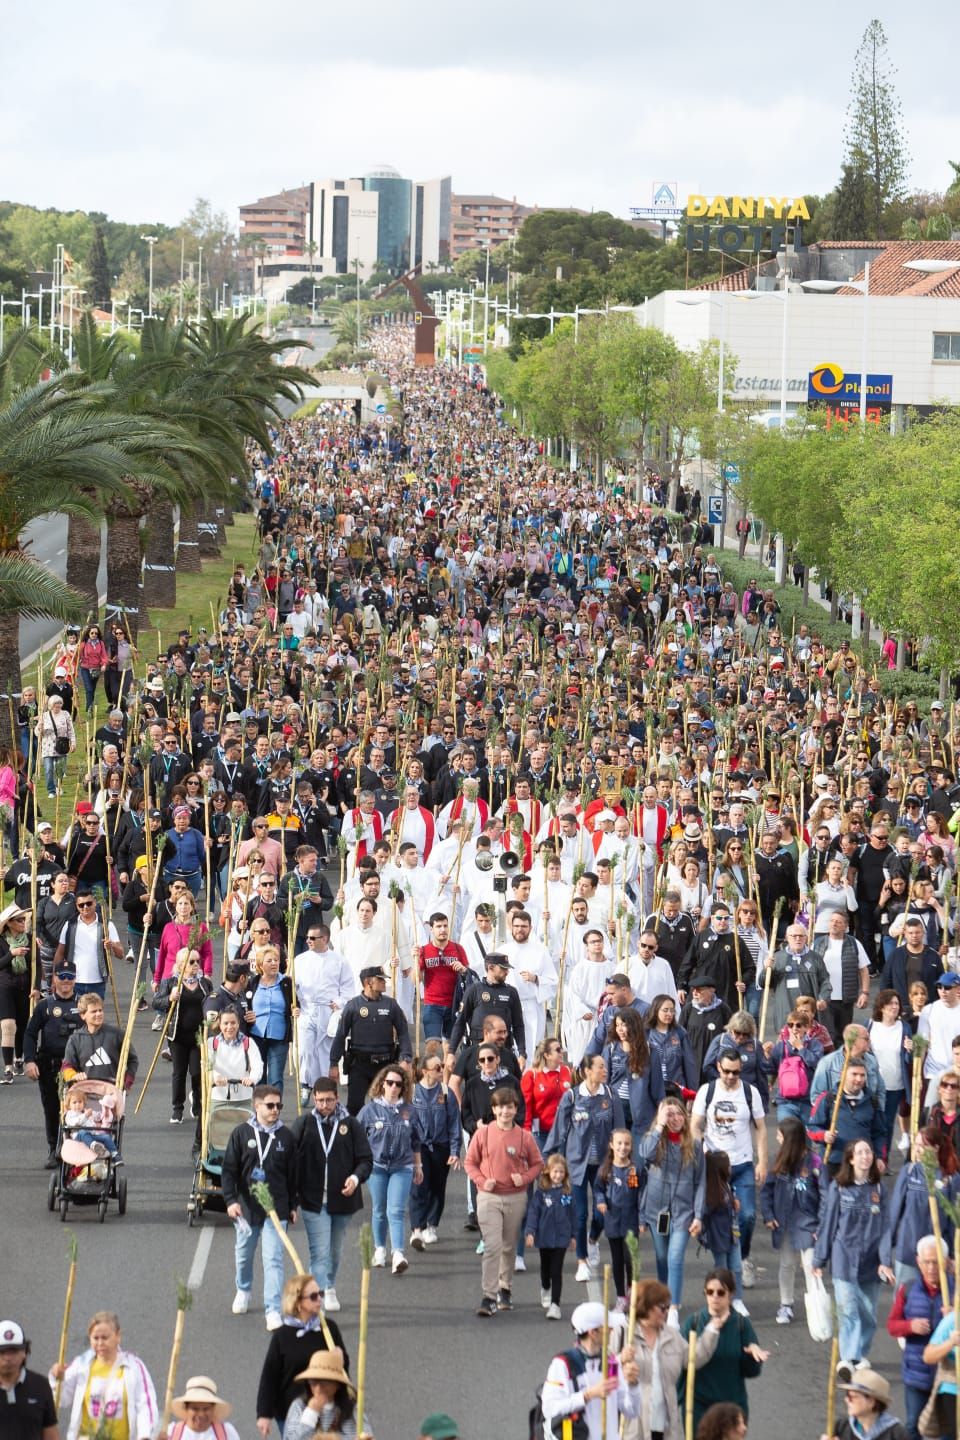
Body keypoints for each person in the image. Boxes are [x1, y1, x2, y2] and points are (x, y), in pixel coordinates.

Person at [290, 1077, 373, 1311]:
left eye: (329, 1100)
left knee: (335, 1251)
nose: (324, 1105)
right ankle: (317, 1296)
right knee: (320, 1251)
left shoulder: (351, 1124)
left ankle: (329, 1285)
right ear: (314, 1099)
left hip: (342, 1199)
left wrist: (355, 1178)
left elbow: (366, 1160)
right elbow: (289, 1156)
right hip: (313, 1200)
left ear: (337, 1098)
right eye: (320, 1100)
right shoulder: (304, 1123)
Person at [813, 1139, 895, 1374]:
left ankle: (859, 1353)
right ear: (850, 1159)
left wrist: (885, 1261)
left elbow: (885, 1229)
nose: (865, 1156)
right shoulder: (838, 1187)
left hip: (871, 1261)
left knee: (868, 1314)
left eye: (868, 1152)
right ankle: (849, 1359)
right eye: (860, 1153)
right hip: (844, 1258)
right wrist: (819, 1260)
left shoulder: (879, 1190)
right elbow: (828, 1225)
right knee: (848, 1309)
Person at [222, 1083, 299, 1330]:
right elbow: (229, 1170)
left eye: (278, 1105)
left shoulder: (286, 1137)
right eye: (270, 1105)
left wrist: (293, 1206)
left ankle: (273, 1309)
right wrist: (231, 1201)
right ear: (257, 1106)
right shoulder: (241, 1133)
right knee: (244, 1253)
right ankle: (243, 1289)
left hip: (276, 1208)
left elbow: (293, 1175)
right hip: (247, 1208)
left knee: (273, 1259)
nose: (275, 1110)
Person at [545, 1053, 625, 1283]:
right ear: (587, 1071)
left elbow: (619, 1129)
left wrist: (622, 1161)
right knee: (580, 1215)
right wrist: (548, 1159)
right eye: (600, 1066)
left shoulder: (611, 1095)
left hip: (603, 1165)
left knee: (605, 1211)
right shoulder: (571, 1096)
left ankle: (592, 1240)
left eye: (605, 1066)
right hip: (576, 1165)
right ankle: (582, 1261)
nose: (605, 1070)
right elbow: (559, 1130)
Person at [691, 1051, 767, 1292]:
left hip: (742, 1162)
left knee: (747, 1215)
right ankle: (722, 1262)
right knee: (716, 1218)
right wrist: (700, 1147)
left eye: (737, 1072)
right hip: (714, 1166)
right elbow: (695, 1124)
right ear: (718, 1068)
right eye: (727, 1071)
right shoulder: (707, 1091)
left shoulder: (749, 1092)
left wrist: (762, 1161)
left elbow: (761, 1128)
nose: (732, 1076)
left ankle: (743, 1256)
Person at [464, 1085, 542, 1316]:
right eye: (501, 1107)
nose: (505, 1112)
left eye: (509, 1107)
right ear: (494, 1109)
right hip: (488, 1197)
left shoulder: (524, 1137)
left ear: (515, 1109)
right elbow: (470, 1162)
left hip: (515, 1197)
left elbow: (538, 1164)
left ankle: (505, 1288)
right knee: (492, 1247)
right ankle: (488, 1296)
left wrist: (525, 1178)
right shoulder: (483, 1134)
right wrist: (481, 1179)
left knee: (508, 1246)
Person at [255, 1274, 348, 1437]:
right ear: (298, 1303)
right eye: (313, 1296)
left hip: (327, 1408)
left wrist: (340, 1358)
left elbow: (343, 1369)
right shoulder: (282, 1336)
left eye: (320, 1294)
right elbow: (270, 1375)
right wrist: (264, 1414)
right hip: (291, 1410)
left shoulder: (329, 1329)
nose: (319, 1299)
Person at [678, 1268, 768, 1433]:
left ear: (731, 1294)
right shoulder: (693, 1323)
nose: (714, 1297)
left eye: (721, 1292)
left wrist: (753, 1357)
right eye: (710, 1292)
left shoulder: (741, 1325)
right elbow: (680, 1363)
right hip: (698, 1407)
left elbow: (752, 1372)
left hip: (732, 1408)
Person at [539, 1300, 641, 1439]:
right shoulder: (563, 1364)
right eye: (608, 1327)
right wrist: (588, 1395)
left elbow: (632, 1411)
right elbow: (550, 1408)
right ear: (593, 1332)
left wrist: (633, 1385)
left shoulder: (611, 1362)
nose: (612, 1330)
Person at [356, 1064, 424, 1274]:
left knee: (395, 1210)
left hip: (402, 1167)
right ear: (382, 1084)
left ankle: (398, 1254)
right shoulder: (369, 1110)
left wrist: (418, 1165)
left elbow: (416, 1141)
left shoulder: (409, 1111)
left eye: (398, 1084)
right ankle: (379, 1249)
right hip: (376, 1167)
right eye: (390, 1083)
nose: (394, 1087)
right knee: (379, 1210)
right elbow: (357, 1138)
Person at [50, 1311, 158, 1440]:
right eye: (95, 1338)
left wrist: (145, 1435)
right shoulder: (81, 1364)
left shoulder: (134, 1366)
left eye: (105, 1337)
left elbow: (145, 1404)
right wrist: (57, 1378)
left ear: (118, 1336)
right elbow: (61, 1400)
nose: (100, 1343)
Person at [888, 1234, 954, 1440]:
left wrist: (954, 1316)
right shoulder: (907, 1289)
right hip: (917, 1372)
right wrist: (910, 1326)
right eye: (927, 1262)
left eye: (936, 1262)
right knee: (913, 1425)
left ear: (946, 1261)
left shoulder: (956, 1290)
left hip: (948, 1377)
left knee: (948, 1429)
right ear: (918, 1261)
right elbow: (892, 1325)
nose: (931, 1268)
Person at [760, 1116, 822, 1327]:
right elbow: (767, 1190)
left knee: (810, 1265)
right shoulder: (779, 1160)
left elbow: (826, 1195)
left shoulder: (814, 1161)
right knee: (787, 1264)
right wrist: (768, 1216)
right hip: (785, 1222)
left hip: (808, 1223)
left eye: (779, 1134)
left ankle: (816, 1305)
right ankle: (786, 1304)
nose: (776, 1137)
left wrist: (821, 1225)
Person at [329, 966, 412, 1116]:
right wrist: (333, 1063)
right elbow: (340, 1035)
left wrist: (405, 1058)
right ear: (368, 982)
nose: (384, 982)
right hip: (359, 1064)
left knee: (387, 1105)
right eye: (380, 979)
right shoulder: (353, 1006)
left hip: (385, 1065)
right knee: (354, 1106)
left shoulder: (391, 1004)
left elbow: (403, 1032)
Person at [23, 966, 83, 1166]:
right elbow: (30, 1034)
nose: (66, 981)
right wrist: (29, 1060)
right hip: (49, 1066)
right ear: (54, 979)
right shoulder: (44, 1006)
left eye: (70, 977)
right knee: (51, 1110)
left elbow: (95, 1033)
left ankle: (75, 1149)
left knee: (76, 1110)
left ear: (75, 979)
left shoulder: (83, 1003)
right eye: (61, 976)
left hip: (76, 1069)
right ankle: (53, 1149)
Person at [153, 947, 213, 1132]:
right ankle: (177, 1109)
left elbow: (211, 1001)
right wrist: (170, 998)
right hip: (177, 1036)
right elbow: (157, 1001)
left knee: (196, 1072)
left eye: (197, 961)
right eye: (191, 962)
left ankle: (197, 1102)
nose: (196, 965)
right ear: (180, 965)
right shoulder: (171, 982)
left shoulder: (204, 983)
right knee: (179, 1073)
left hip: (198, 1036)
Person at [409, 1053, 461, 1250]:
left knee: (438, 1187)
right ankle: (417, 1227)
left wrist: (455, 1150)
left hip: (441, 1146)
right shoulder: (412, 1092)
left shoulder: (446, 1093)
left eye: (442, 1066)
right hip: (419, 1147)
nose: (442, 1070)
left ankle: (431, 1225)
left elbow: (454, 1123)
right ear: (425, 1071)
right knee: (418, 1186)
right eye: (437, 1067)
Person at [630, 1279, 687, 1440]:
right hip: (635, 1425)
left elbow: (693, 1358)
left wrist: (714, 1328)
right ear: (646, 1307)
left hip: (663, 1422)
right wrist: (621, 1361)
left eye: (668, 1308)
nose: (666, 1312)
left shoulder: (671, 1335)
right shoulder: (624, 1335)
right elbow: (607, 1369)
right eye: (662, 1308)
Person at [594, 1128, 641, 1309]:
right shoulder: (606, 1170)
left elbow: (640, 1194)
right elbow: (598, 1189)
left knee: (631, 1259)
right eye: (619, 1143)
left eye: (627, 1144)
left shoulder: (634, 1170)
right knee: (618, 1260)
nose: (623, 1147)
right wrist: (600, 1201)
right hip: (613, 1221)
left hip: (631, 1222)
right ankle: (621, 1296)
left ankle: (632, 1291)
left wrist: (642, 1219)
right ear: (612, 1145)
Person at [526, 1151, 575, 1320]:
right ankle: (545, 1288)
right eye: (555, 1171)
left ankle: (555, 1304)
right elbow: (533, 1213)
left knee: (557, 1270)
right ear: (547, 1172)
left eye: (561, 1172)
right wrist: (530, 1232)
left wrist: (573, 1236)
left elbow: (572, 1215)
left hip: (561, 1238)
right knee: (545, 1270)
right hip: (545, 1237)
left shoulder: (567, 1192)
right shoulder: (541, 1193)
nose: (558, 1175)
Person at [283, 1349, 367, 1440]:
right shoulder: (299, 1406)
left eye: (324, 1382)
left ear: (338, 1384)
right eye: (313, 1382)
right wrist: (311, 1412)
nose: (318, 1389)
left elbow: (366, 1435)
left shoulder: (353, 1409)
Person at [246, 946, 296, 1091]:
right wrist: (247, 1015)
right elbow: (244, 1005)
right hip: (256, 1034)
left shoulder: (286, 983)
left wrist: (295, 1010)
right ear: (261, 965)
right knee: (258, 1076)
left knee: (275, 1079)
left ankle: (274, 1111)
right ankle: (260, 1111)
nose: (274, 963)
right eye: (269, 961)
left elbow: (295, 1003)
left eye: (276, 960)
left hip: (279, 1036)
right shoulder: (252, 983)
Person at [61, 993, 137, 1087]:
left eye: (100, 1010)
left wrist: (127, 1081)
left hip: (112, 1091)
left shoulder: (117, 1034)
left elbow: (133, 1060)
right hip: (85, 1091)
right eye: (93, 1011)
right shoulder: (75, 1039)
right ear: (82, 1015)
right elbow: (66, 1066)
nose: (99, 1014)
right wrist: (74, 1076)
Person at [0, 1319, 58, 1440]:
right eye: (2, 1352)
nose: (8, 1358)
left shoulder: (41, 1386)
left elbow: (51, 1434)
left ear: (25, 1352)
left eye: (14, 1351)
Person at [0, 903, 36, 1081]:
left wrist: (36, 987)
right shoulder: (1, 941)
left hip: (24, 986)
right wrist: (11, 954)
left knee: (22, 1025)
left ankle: (19, 1057)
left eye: (24, 919)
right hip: (5, 986)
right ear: (9, 923)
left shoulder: (30, 939)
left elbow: (35, 967)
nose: (23, 922)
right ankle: (7, 1068)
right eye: (19, 920)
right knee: (8, 1026)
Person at [820, 1370, 909, 1440]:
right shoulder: (841, 1427)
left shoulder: (896, 1434)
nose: (846, 1400)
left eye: (852, 1396)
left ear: (871, 1402)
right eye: (847, 1395)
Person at [207, 1008, 264, 1101]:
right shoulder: (212, 1043)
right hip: (218, 1096)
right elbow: (207, 1066)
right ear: (220, 1025)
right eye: (225, 1023)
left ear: (238, 1024)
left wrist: (252, 1078)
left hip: (244, 1096)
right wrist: (216, 1076)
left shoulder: (248, 1042)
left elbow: (257, 1065)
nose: (229, 1027)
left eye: (233, 1023)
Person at [521, 1037, 573, 1137]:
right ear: (547, 1055)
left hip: (564, 1130)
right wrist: (526, 1129)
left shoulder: (566, 1070)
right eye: (558, 1050)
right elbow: (526, 1104)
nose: (561, 1052)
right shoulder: (532, 1075)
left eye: (561, 1048)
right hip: (541, 1132)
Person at [168, 1376, 240, 1440]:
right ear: (186, 1408)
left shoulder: (227, 1432)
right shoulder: (170, 1432)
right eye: (195, 1409)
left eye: (206, 1409)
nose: (201, 1414)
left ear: (213, 1409)